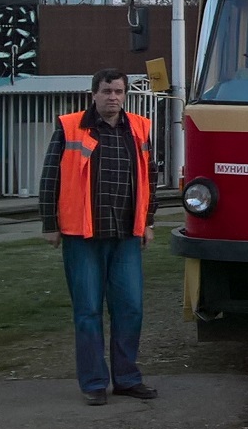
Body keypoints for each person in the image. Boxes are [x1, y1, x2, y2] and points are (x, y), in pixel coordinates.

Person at [39, 69, 159, 406]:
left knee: (130, 309)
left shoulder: (138, 128)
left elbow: (150, 178)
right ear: (94, 93)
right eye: (107, 91)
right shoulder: (70, 126)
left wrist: (148, 222)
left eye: (119, 91)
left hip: (125, 235)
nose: (114, 98)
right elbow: (50, 178)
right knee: (88, 312)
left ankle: (126, 379)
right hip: (82, 235)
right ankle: (93, 383)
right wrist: (50, 223)